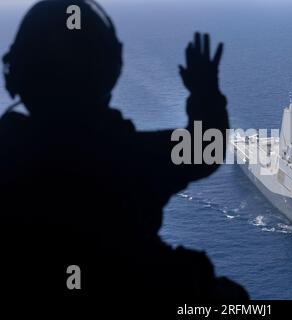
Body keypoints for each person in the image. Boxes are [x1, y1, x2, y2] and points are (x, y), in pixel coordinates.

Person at [0, 0, 247, 300]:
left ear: (16, 76)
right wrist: (205, 92)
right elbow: (206, 148)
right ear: (110, 70)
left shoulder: (10, 157)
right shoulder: (130, 156)